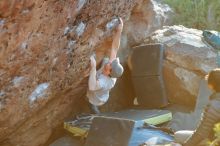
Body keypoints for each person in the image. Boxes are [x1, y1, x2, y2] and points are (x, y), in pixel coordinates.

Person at [86, 17, 124, 114]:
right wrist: (119, 30)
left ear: (109, 72)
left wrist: (93, 68)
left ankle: (94, 109)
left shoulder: (103, 81)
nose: (111, 62)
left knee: (90, 99)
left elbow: (92, 87)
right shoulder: (111, 69)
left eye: (110, 65)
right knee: (106, 59)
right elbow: (115, 48)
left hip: (96, 98)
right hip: (103, 93)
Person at [175, 68, 220, 146]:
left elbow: (201, 134)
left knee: (178, 136)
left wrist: (185, 145)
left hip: (214, 141)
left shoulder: (213, 106)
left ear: (211, 85)